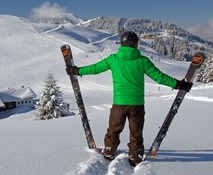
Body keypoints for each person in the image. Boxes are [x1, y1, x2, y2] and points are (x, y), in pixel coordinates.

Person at [66, 31, 192, 166]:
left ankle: (108, 151)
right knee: (136, 133)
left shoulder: (113, 59)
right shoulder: (143, 61)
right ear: (136, 44)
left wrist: (77, 71)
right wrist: (179, 84)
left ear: (122, 43)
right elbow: (159, 77)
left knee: (113, 130)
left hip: (119, 104)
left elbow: (95, 68)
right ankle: (136, 157)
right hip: (137, 105)